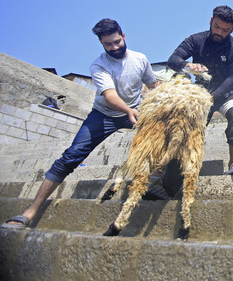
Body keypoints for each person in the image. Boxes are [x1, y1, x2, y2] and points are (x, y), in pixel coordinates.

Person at [1, 19, 159, 229]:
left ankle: (156, 183)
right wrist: (129, 110)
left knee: (167, 134)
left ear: (123, 36)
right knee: (71, 156)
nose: (114, 47)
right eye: (108, 45)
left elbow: (153, 85)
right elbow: (109, 95)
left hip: (136, 111)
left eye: (117, 41)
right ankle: (30, 211)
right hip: (104, 115)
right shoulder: (99, 65)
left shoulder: (140, 59)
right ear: (102, 44)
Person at [167, 5, 233, 176]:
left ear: (232, 30)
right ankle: (179, 171)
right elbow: (173, 60)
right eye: (217, 27)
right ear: (211, 21)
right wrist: (188, 65)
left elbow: (232, 77)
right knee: (186, 128)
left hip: (227, 93)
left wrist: (213, 98)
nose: (220, 32)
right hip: (200, 94)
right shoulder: (195, 40)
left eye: (226, 30)